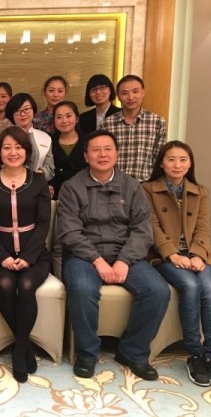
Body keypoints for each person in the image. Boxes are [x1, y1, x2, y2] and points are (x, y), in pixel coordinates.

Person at [57, 130, 170, 380]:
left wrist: (124, 260)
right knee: (82, 289)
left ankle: (133, 351)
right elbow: (70, 232)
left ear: (117, 153)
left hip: (125, 253)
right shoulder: (71, 187)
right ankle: (87, 353)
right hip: (85, 255)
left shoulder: (132, 187)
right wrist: (97, 260)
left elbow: (142, 230)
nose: (102, 154)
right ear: (86, 156)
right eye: (96, 150)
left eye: (108, 149)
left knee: (158, 291)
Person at [143, 141, 211, 391]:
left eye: (183, 159)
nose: (177, 164)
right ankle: (194, 354)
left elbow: (203, 227)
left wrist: (198, 254)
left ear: (190, 164)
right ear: (161, 163)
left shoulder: (200, 191)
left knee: (210, 289)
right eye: (171, 159)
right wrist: (172, 254)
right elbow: (151, 227)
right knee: (191, 286)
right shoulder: (148, 189)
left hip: (197, 254)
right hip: (165, 256)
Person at [0, 126, 51, 383]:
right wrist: (2, 257)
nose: (13, 152)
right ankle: (26, 346)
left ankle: (19, 350)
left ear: (27, 151)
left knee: (27, 285)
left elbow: (43, 223)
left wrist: (28, 256)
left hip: (35, 253)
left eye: (18, 147)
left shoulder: (38, 181)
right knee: (7, 286)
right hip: (1, 253)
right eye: (7, 147)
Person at [99, 75, 166, 182]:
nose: (130, 97)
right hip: (114, 184)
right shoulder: (106, 124)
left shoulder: (157, 122)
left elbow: (158, 158)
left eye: (135, 91)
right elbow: (103, 157)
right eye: (125, 93)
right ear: (118, 96)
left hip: (145, 184)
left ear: (143, 93)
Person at [0, 92, 55, 182]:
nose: (22, 114)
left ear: (33, 110)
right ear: (11, 114)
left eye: (26, 109)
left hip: (36, 185)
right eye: (17, 111)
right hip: (6, 184)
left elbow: (50, 168)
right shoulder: (0, 136)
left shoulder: (45, 138)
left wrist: (33, 179)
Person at [49, 101, 87, 199]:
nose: (64, 121)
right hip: (58, 194)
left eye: (68, 116)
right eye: (59, 117)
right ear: (54, 121)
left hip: (85, 193)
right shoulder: (48, 142)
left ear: (77, 118)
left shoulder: (88, 141)